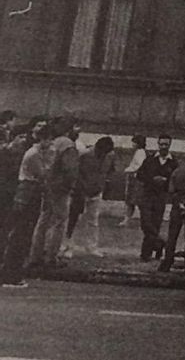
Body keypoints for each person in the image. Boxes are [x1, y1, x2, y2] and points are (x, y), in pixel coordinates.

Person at [0, 119, 51, 287]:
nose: (23, 140)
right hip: (10, 197)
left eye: (25, 137)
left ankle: (11, 272)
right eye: (19, 136)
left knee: (17, 236)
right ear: (12, 138)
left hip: (17, 198)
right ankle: (9, 273)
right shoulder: (7, 154)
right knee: (14, 235)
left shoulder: (24, 154)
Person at [27, 117, 80, 269]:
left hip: (48, 184)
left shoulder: (51, 143)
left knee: (43, 220)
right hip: (61, 187)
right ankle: (51, 257)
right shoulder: (67, 144)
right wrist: (70, 185)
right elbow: (70, 169)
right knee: (59, 222)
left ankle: (35, 255)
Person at [63, 136, 115, 258]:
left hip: (97, 191)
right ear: (96, 147)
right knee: (73, 219)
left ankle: (91, 247)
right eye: (101, 152)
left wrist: (104, 184)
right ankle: (67, 246)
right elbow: (76, 172)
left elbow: (109, 171)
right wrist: (81, 187)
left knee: (93, 220)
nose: (102, 155)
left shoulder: (110, 155)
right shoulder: (84, 154)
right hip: (81, 191)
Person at [136, 134, 177, 261]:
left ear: (170, 145)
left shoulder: (173, 162)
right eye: (161, 144)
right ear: (158, 144)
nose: (163, 147)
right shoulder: (150, 160)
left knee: (156, 222)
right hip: (147, 195)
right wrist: (152, 179)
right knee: (146, 223)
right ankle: (161, 242)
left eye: (166, 144)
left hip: (161, 197)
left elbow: (176, 179)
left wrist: (166, 181)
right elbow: (140, 175)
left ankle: (146, 253)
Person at [119, 135, 147, 227]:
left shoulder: (140, 153)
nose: (133, 144)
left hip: (136, 180)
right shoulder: (138, 152)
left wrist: (128, 170)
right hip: (134, 179)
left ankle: (143, 220)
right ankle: (127, 220)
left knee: (135, 201)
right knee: (130, 202)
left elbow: (139, 166)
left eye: (134, 142)